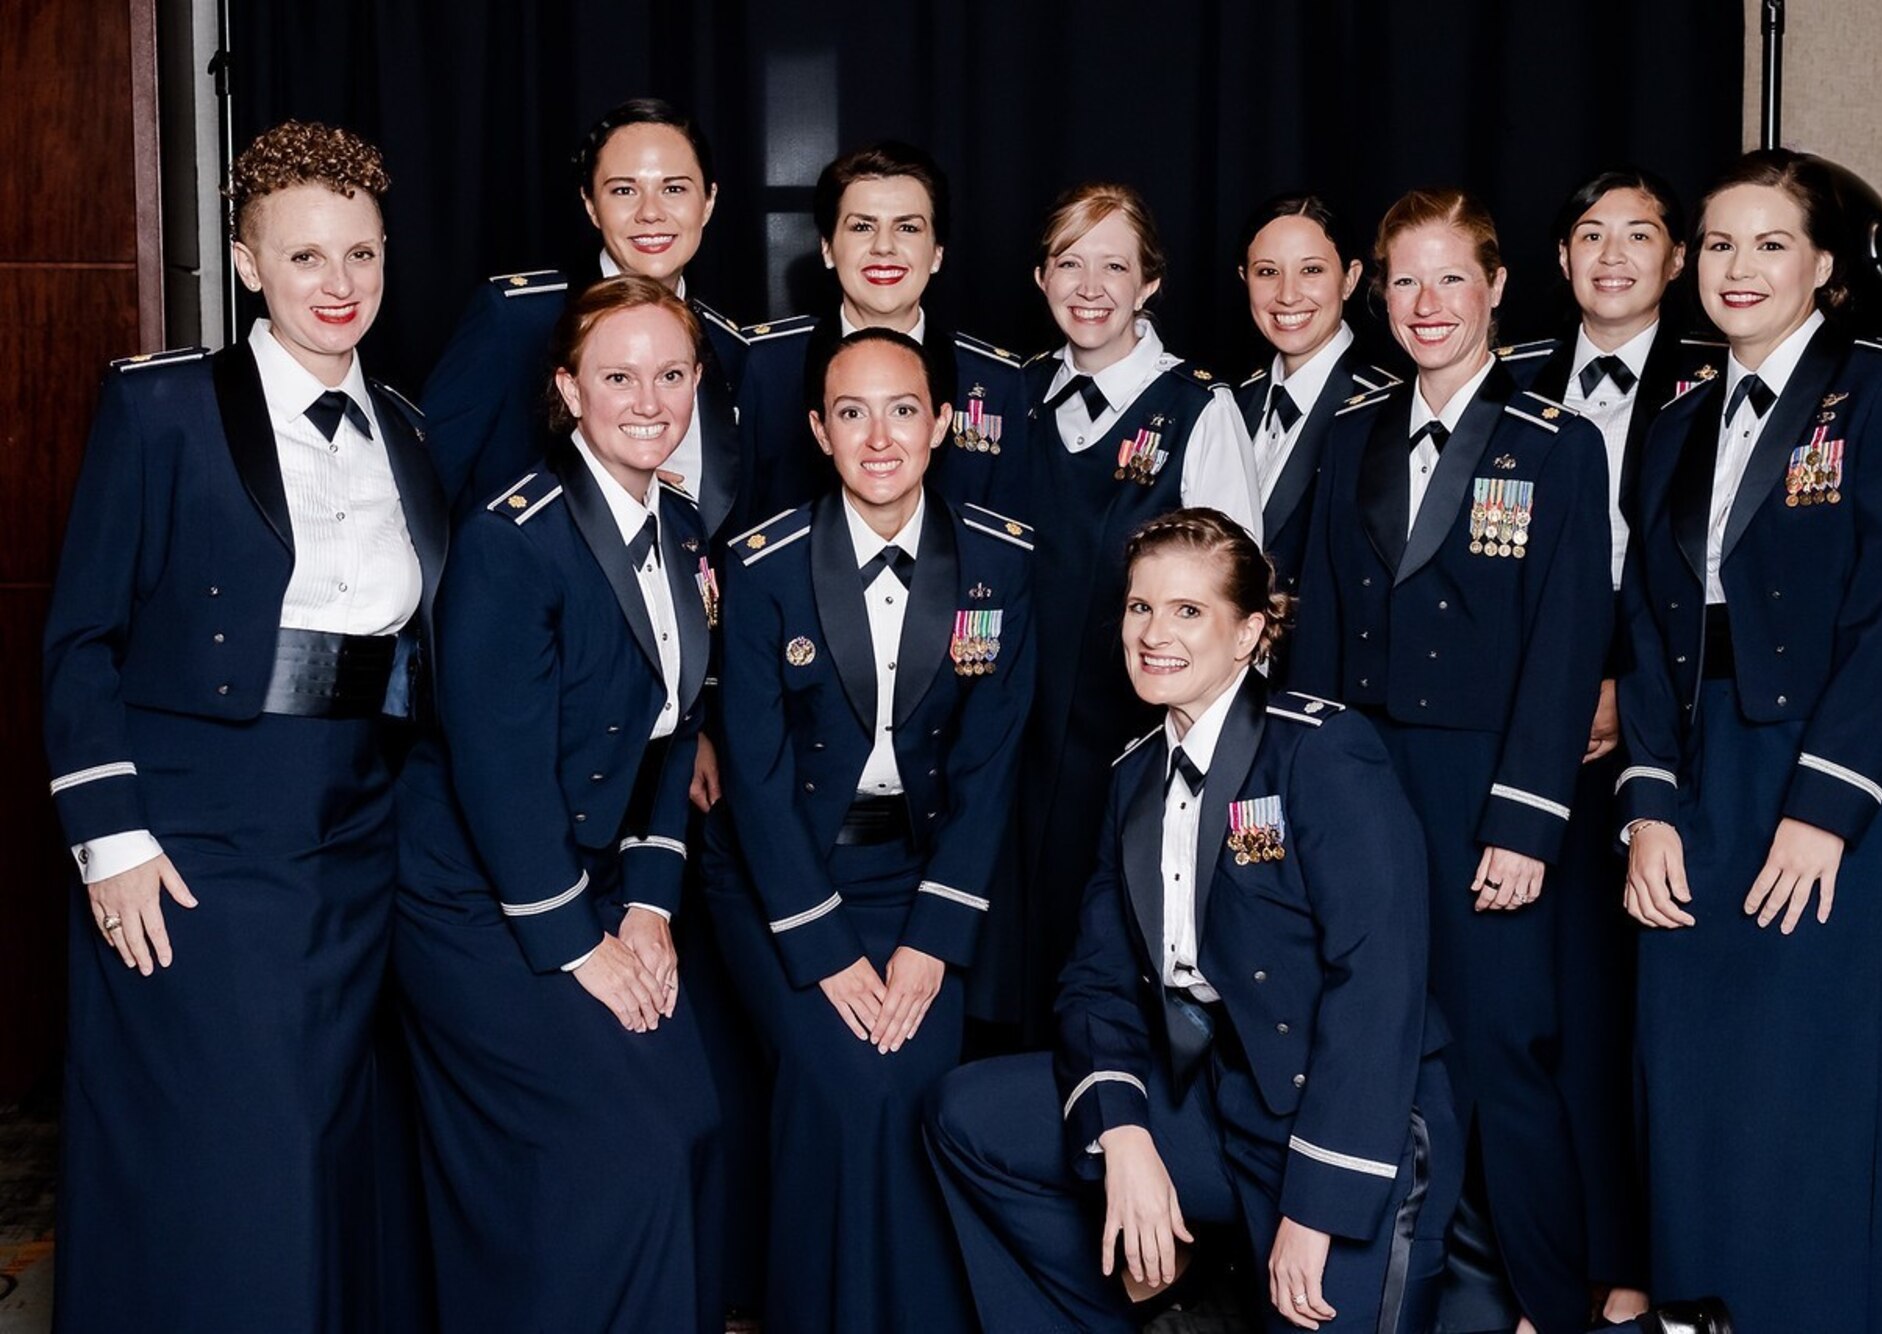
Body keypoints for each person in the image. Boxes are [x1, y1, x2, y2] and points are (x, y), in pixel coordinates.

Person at [41, 120, 445, 1332]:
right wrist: (110, 835)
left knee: (331, 1134)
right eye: (307, 255)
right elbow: (78, 638)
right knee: (229, 1147)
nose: (340, 285)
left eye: (362, 255)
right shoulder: (160, 406)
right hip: (200, 823)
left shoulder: (412, 431)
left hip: (361, 819)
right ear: (247, 260)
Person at [928, 508, 1460, 1333]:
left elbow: (1378, 991)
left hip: (1345, 1126)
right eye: (1141, 607)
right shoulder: (1135, 776)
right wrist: (1126, 1134)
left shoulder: (1323, 753)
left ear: (1249, 634)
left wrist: (1317, 1210)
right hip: (1212, 1105)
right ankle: (1172, 1311)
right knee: (970, 1116)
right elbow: (1096, 983)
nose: (1153, 633)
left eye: (1187, 612)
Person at [1619, 148, 1882, 1334]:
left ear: (1822, 267)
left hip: (1837, 770)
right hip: (1702, 767)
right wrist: (1647, 802)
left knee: (1815, 1066)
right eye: (1717, 243)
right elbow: (1644, 621)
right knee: (1693, 1061)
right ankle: (1703, 1306)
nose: (1736, 267)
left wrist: (1822, 808)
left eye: (1769, 243)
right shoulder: (1669, 424)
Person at [1287, 187, 1613, 1334]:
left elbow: (1568, 642)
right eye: (1404, 283)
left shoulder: (1555, 446)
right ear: (1380, 296)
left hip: (1486, 791)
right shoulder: (1348, 437)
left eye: (1449, 279)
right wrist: (1300, 787)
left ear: (1495, 289)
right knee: (1377, 1035)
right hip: (1366, 786)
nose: (1427, 306)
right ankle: (1405, 1292)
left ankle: (1545, 1302)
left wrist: (1525, 823)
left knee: (1500, 1055)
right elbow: (1318, 629)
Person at [394, 276, 722, 1332]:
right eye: (616, 375)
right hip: (475, 897)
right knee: (627, 1140)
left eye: (669, 374)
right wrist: (580, 943)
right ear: (566, 389)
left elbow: (671, 734)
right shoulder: (512, 536)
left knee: (689, 1110)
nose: (646, 398)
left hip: (599, 882)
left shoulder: (678, 523)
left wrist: (652, 905)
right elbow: (495, 772)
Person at [702, 329, 1036, 1332]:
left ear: (941, 423)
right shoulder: (761, 565)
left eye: (901, 409)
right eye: (851, 412)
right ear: (817, 429)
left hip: (922, 875)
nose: (878, 436)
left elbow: (989, 769)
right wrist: (825, 951)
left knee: (918, 1088)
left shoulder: (999, 560)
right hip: (785, 880)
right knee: (842, 1077)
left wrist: (932, 941)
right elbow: (754, 782)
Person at [986, 182, 1263, 1039]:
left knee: (1111, 979)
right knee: (1003, 985)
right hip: (1009, 745)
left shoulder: (1199, 408)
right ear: (1040, 276)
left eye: (1116, 265)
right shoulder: (1007, 398)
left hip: (1132, 747)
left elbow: (1236, 604)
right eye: (1070, 262)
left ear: (1149, 284)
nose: (1091, 285)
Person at [1524, 166, 1720, 1324]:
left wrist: (1618, 687)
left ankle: (1639, 1262)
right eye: (1587, 232)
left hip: (1660, 730)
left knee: (1641, 1011)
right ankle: (1557, 1253)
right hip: (1533, 731)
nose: (1609, 254)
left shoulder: (1710, 383)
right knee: (1548, 1007)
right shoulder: (1507, 379)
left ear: (1675, 257)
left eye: (1636, 234)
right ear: (1557, 259)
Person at [421, 97, 747, 534]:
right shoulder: (516, 321)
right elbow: (422, 494)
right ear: (591, 205)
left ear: (708, 202)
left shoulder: (730, 346)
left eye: (674, 188)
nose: (651, 212)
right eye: (624, 190)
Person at [732, 140, 1027, 517]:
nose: (884, 246)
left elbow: (1009, 546)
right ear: (826, 247)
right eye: (861, 227)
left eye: (907, 227)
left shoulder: (996, 380)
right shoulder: (765, 365)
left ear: (936, 252)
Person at [1231, 193, 1402, 600]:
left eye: (1311, 270)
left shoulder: (1390, 410)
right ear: (1244, 279)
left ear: (1350, 278)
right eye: (1267, 271)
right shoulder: (1229, 403)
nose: (1288, 295)